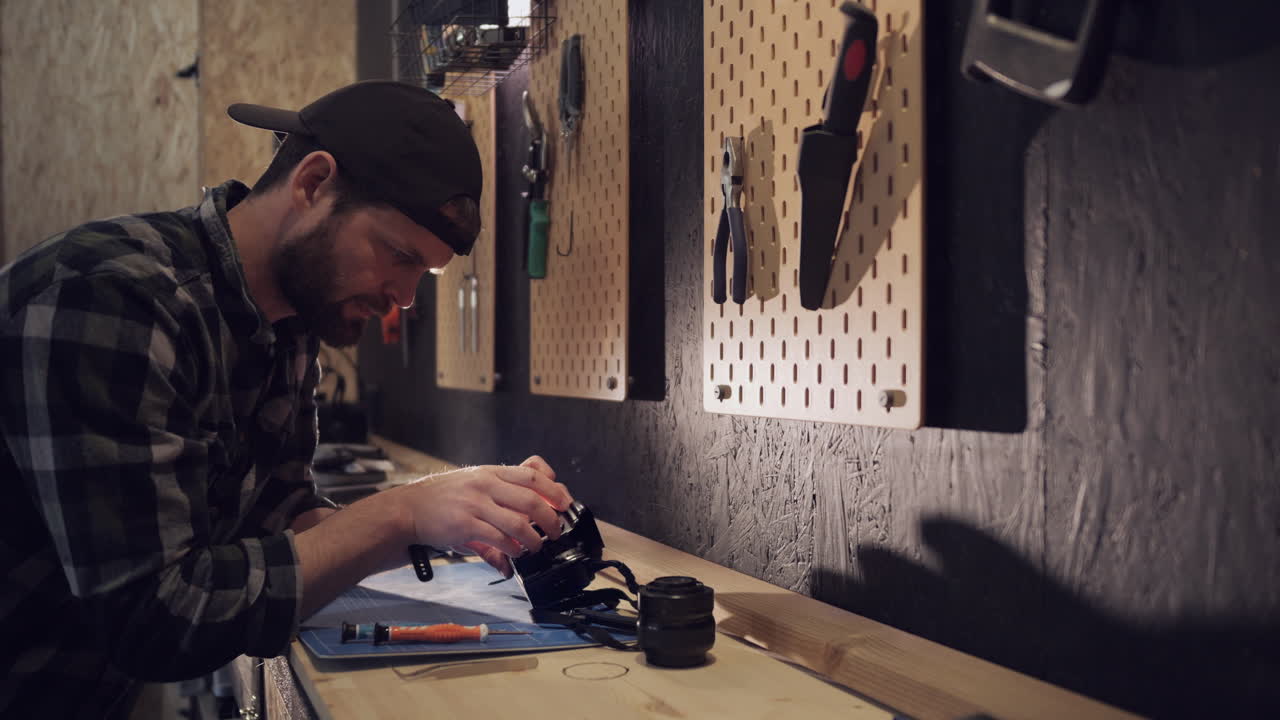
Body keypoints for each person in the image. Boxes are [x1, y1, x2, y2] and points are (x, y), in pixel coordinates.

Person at [0, 80, 573, 718]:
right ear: (312, 184)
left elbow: (279, 517)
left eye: (424, 274)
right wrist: (399, 515)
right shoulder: (112, 299)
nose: (406, 298)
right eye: (398, 255)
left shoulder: (289, 321)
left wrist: (459, 509)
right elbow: (157, 619)